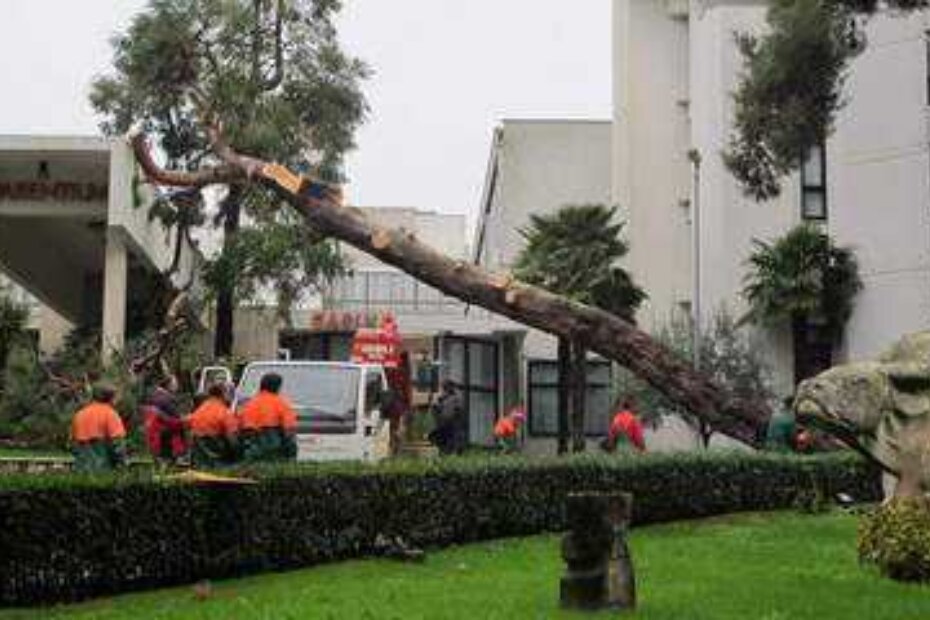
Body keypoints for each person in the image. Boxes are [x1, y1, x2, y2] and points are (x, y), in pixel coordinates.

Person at [238, 373, 298, 462]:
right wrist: (291, 456)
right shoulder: (282, 404)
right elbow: (289, 432)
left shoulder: (248, 405)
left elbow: (237, 430)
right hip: (274, 453)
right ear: (277, 387)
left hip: (251, 453)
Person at [71, 382, 127, 472]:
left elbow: (73, 446)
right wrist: (123, 467)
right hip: (104, 472)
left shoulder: (79, 415)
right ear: (110, 398)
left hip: (81, 471)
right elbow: (118, 446)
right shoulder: (111, 415)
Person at [186, 382, 239, 468]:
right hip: (219, 459)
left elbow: (188, 429)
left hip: (200, 460)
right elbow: (233, 441)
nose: (232, 397)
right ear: (223, 394)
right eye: (229, 393)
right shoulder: (225, 413)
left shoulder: (198, 411)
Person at [142, 376, 187, 466]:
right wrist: (185, 419)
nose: (177, 386)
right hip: (165, 433)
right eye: (175, 384)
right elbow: (176, 417)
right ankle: (178, 458)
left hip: (154, 432)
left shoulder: (154, 395)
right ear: (168, 385)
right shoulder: (166, 398)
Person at [429, 380, 465, 455]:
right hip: (444, 429)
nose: (441, 390)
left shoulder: (456, 399)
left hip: (452, 429)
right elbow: (435, 413)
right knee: (442, 447)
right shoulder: (441, 399)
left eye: (442, 388)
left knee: (452, 448)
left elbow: (455, 412)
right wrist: (434, 406)